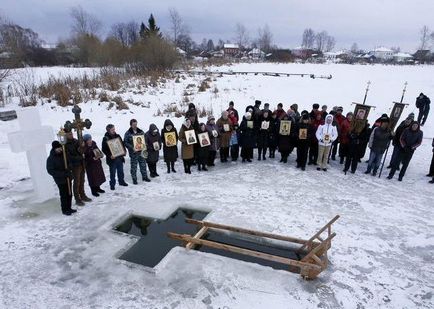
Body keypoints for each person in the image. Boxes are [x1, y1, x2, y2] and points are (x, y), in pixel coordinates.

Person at [46, 141, 76, 216]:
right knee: (64, 194)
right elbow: (51, 171)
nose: (60, 149)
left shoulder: (64, 155)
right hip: (60, 180)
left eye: (60, 148)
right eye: (58, 148)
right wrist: (63, 174)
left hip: (68, 178)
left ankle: (69, 208)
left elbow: (70, 163)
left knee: (69, 193)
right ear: (54, 149)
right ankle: (65, 209)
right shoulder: (51, 158)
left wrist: (69, 169)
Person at [64, 128, 91, 206]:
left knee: (82, 181)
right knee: (76, 182)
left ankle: (83, 195)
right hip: (74, 166)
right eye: (69, 134)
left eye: (71, 133)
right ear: (65, 135)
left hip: (81, 164)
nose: (71, 135)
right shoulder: (65, 145)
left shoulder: (76, 141)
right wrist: (79, 157)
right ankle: (77, 199)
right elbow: (69, 157)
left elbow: (82, 151)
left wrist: (83, 146)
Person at [124, 119, 150, 185]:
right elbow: (125, 143)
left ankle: (144, 177)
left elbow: (145, 139)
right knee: (134, 166)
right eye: (133, 125)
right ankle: (134, 179)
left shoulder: (141, 131)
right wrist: (132, 147)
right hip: (134, 153)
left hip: (141, 152)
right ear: (131, 125)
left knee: (143, 165)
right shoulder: (128, 133)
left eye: (136, 124)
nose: (135, 126)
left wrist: (145, 144)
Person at [102, 124, 128, 190]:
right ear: (108, 130)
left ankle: (121, 181)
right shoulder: (105, 138)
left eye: (114, 129)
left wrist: (124, 151)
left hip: (119, 157)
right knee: (112, 172)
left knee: (120, 171)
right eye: (112, 130)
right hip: (112, 159)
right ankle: (112, 184)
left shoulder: (118, 136)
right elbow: (104, 149)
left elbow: (122, 144)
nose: (114, 130)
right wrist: (110, 155)